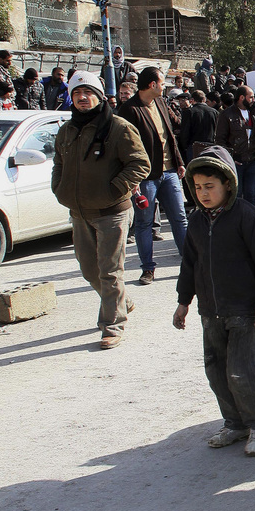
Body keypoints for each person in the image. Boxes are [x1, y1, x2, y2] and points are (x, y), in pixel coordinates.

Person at [174, 146, 255, 457]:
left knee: (241, 371)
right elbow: (189, 265)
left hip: (244, 310)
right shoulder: (195, 221)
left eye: (210, 186)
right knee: (216, 371)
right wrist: (184, 301)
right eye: (198, 187)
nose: (204, 194)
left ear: (228, 184)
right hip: (211, 311)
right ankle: (235, 423)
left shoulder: (248, 217)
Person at [50, 71, 151, 350]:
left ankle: (112, 325)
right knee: (89, 270)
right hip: (80, 213)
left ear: (99, 96)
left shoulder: (118, 127)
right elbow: (59, 162)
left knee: (109, 271)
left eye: (88, 93)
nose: (83, 98)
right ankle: (122, 302)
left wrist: (113, 190)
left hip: (112, 212)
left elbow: (140, 164)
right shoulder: (67, 130)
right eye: (77, 94)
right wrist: (59, 187)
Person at [118, 65, 187, 285]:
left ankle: (189, 263)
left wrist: (179, 162)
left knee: (179, 218)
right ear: (152, 84)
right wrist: (133, 179)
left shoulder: (160, 102)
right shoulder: (130, 109)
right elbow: (125, 147)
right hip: (145, 177)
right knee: (144, 223)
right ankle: (147, 268)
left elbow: (170, 136)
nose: (165, 85)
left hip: (170, 172)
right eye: (162, 82)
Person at [214, 85, 255, 205]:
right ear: (241, 97)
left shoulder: (254, 112)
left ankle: (250, 221)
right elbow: (220, 139)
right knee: (236, 195)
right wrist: (230, 157)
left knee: (251, 194)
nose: (253, 100)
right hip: (236, 161)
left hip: (252, 160)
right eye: (250, 97)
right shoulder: (227, 114)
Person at [179, 89, 218, 161]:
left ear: (192, 100)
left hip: (193, 147)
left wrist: (184, 146)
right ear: (204, 99)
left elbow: (185, 132)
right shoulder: (214, 112)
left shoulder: (189, 112)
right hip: (210, 146)